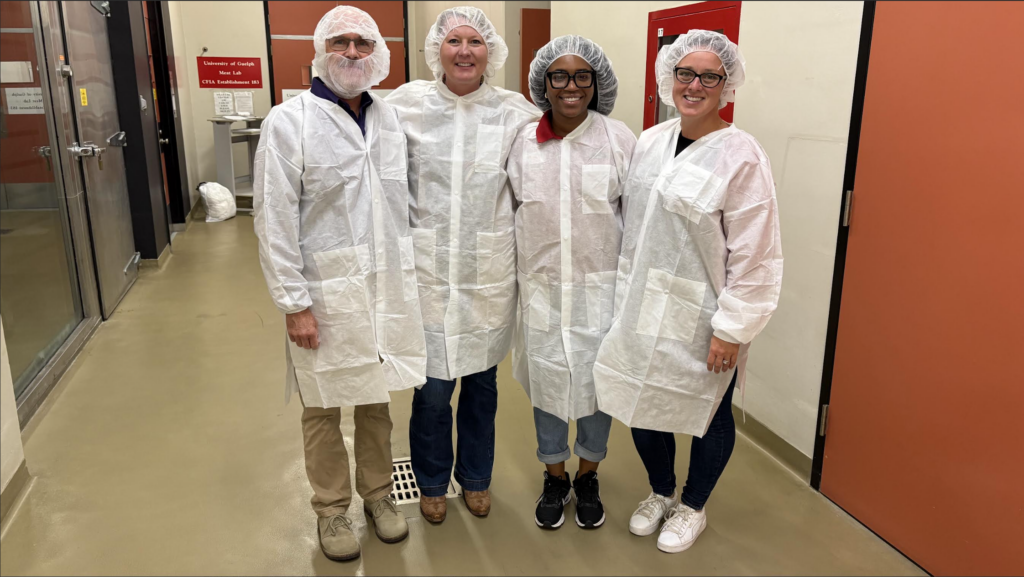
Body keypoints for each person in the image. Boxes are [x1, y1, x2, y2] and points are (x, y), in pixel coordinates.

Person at [592, 30, 783, 553]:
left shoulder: (741, 156)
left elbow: (756, 251)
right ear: (668, 77)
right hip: (640, 302)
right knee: (641, 400)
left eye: (709, 76)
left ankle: (693, 506)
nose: (694, 85)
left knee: (706, 413)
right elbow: (632, 225)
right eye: (685, 73)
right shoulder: (651, 141)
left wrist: (732, 328)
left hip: (703, 315)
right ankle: (660, 491)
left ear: (727, 85)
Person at [252, 6, 426, 562]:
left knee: (375, 400)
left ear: (377, 53)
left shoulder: (389, 117)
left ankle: (378, 496)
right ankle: (331, 510)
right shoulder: (290, 121)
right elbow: (273, 218)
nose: (352, 52)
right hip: (323, 296)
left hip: (383, 290)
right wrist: (293, 303)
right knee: (323, 404)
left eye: (362, 43)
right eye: (340, 42)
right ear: (321, 51)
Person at [386, 6, 541, 523]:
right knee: (431, 391)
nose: (465, 51)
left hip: (487, 274)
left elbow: (534, 187)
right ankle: (431, 482)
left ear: (491, 52)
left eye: (476, 41)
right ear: (437, 50)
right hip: (426, 272)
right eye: (455, 41)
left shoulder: (516, 113)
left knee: (481, 387)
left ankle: (475, 479)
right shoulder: (404, 106)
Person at [506, 35, 636, 530]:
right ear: (544, 83)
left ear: (596, 83)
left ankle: (588, 475)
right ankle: (554, 474)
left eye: (583, 76)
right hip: (541, 293)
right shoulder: (524, 142)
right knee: (548, 386)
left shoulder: (619, 140)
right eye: (559, 76)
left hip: (600, 295)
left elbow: (637, 219)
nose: (571, 86)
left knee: (596, 389)